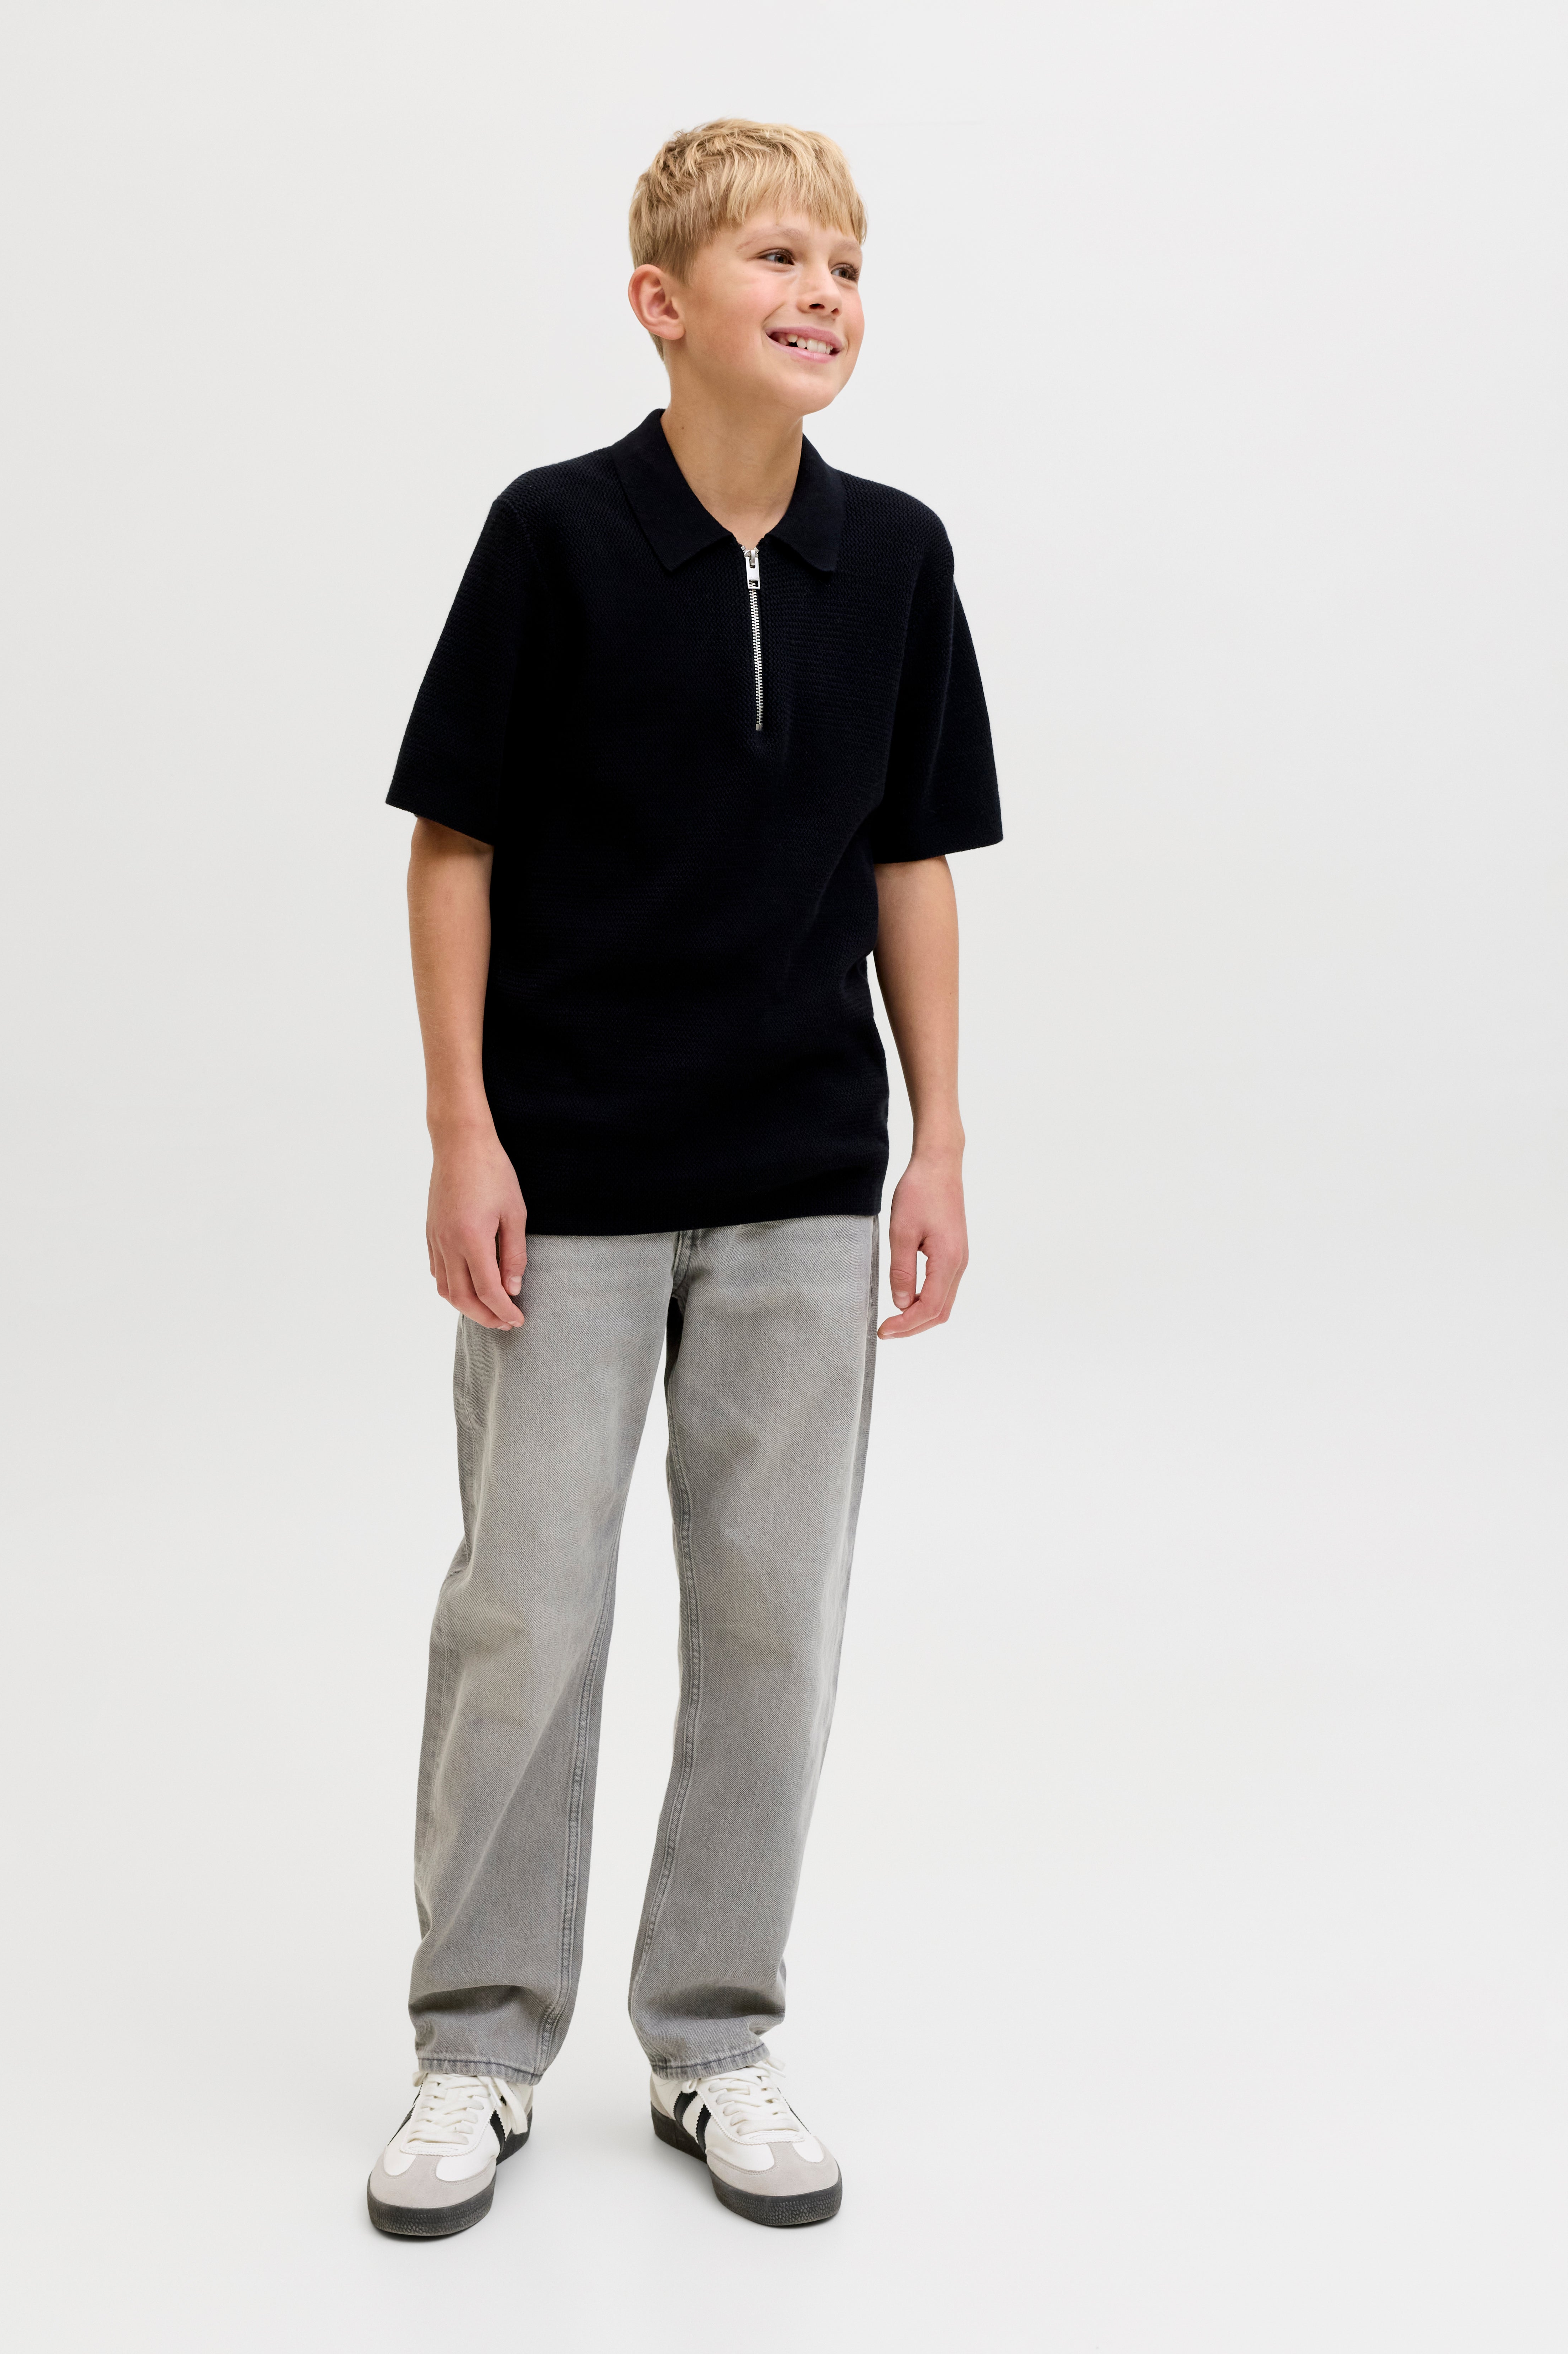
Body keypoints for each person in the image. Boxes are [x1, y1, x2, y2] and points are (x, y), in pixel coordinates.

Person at [367, 119, 1000, 2239]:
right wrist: (463, 1130)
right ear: (662, 303)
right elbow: (453, 845)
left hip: (806, 1174)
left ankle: (715, 2038)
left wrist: (940, 1136)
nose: (823, 295)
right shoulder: (554, 537)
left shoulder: (896, 557)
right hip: (570, 1177)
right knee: (527, 1610)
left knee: (771, 1622)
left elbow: (911, 859)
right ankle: (477, 2040)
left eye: (846, 265)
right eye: (778, 259)